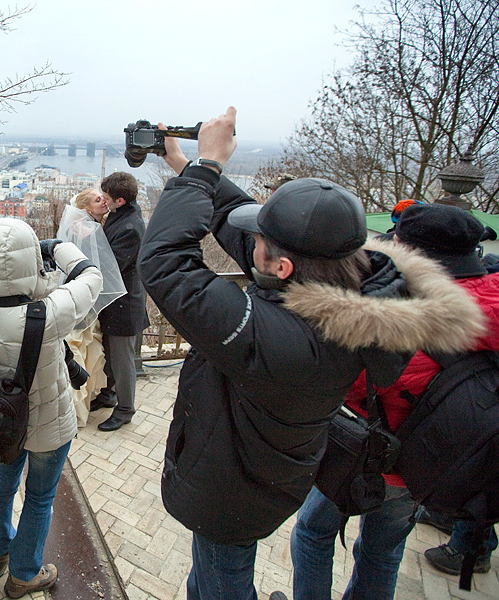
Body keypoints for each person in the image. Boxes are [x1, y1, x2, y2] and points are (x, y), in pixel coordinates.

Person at [137, 107, 485, 600]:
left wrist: (206, 168)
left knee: (221, 580)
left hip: (231, 489)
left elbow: (166, 265)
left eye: (260, 240)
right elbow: (245, 233)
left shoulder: (286, 341)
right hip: (271, 472)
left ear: (281, 266)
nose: (250, 244)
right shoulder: (350, 290)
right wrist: (187, 165)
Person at [290, 201, 498, 599]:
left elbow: (346, 383)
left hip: (368, 456)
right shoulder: (491, 299)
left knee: (313, 533)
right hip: (432, 464)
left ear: (412, 252)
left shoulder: (407, 318)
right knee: (383, 553)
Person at [0, 218, 102, 598]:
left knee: (3, 483)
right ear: (30, 260)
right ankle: (25, 573)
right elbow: (91, 276)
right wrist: (56, 247)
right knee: (39, 498)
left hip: (5, 421)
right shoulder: (49, 313)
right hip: (49, 425)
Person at [91, 172, 150, 432]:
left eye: (106, 197)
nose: (103, 200)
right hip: (113, 301)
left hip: (124, 304)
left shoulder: (130, 228)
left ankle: (125, 409)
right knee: (110, 355)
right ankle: (109, 394)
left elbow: (111, 266)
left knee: (123, 361)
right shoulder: (121, 214)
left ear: (121, 200)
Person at [64, 187, 114, 426]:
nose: (103, 202)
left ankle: (78, 403)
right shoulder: (90, 230)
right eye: (97, 200)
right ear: (86, 209)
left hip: (80, 297)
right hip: (85, 298)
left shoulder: (79, 228)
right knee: (82, 348)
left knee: (81, 348)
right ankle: (79, 404)